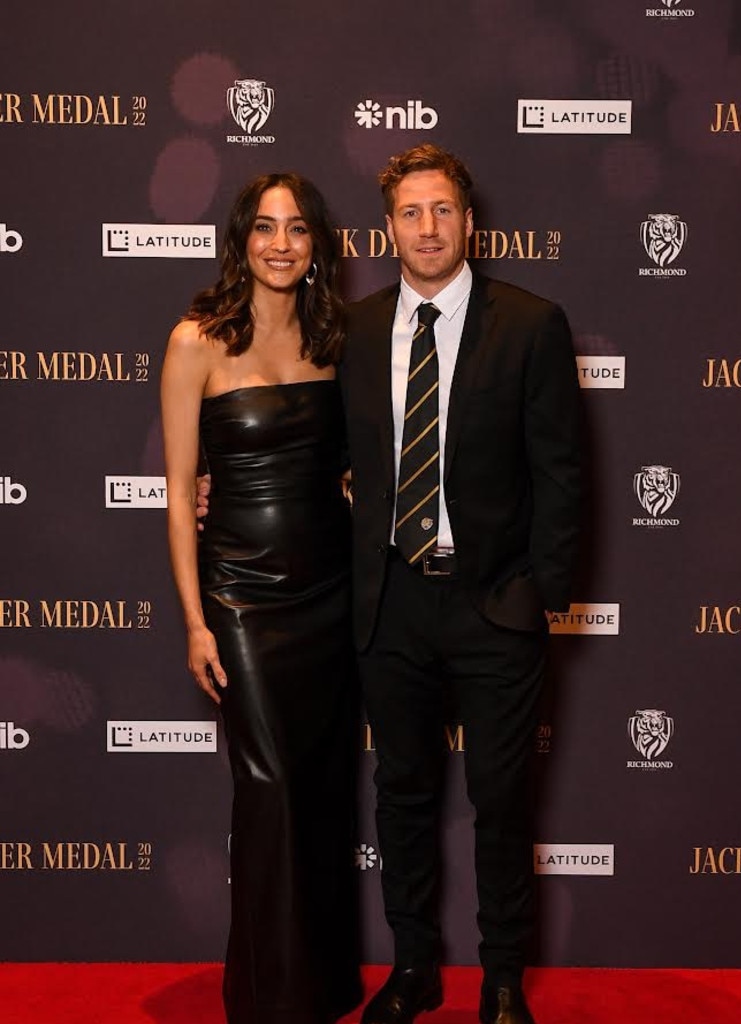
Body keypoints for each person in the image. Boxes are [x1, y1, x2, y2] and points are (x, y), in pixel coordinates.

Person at [339, 145, 582, 1024]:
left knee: (501, 798)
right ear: (389, 228)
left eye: (442, 210)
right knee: (401, 791)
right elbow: (328, 456)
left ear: (469, 223)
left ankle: (504, 976)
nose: (428, 228)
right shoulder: (358, 332)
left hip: (494, 604)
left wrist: (537, 595)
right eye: (410, 212)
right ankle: (413, 967)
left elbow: (562, 472)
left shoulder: (529, 323)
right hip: (391, 602)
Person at [161, 173, 361, 1024]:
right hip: (240, 597)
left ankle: (317, 984)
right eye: (266, 228)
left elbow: (354, 467)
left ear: (318, 244)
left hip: (330, 591)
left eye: (299, 229)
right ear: (241, 239)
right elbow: (178, 493)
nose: (282, 244)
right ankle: (270, 999)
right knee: (270, 789)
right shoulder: (196, 341)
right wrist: (196, 621)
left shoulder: (338, 340)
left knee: (319, 789)